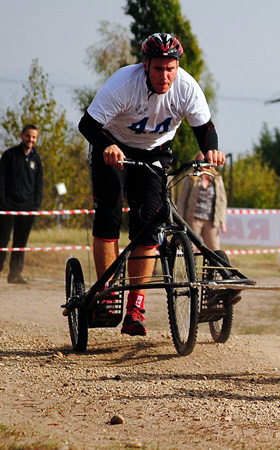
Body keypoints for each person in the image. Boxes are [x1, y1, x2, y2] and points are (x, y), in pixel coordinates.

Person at [78, 33, 225, 336]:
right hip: (113, 149)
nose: (165, 76)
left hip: (155, 154)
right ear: (145, 65)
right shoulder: (123, 83)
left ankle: (136, 307)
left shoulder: (186, 86)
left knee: (148, 223)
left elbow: (205, 128)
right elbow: (88, 124)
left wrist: (211, 149)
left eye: (170, 68)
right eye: (158, 69)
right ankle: (106, 291)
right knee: (109, 212)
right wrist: (107, 146)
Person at [0, 125, 43, 284]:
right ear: (22, 136)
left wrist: (36, 204)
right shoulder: (9, 155)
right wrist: (3, 203)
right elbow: (1, 180)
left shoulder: (36, 158)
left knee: (20, 243)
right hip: (8, 207)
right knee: (2, 240)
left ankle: (15, 274)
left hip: (27, 208)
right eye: (28, 136)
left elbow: (39, 184)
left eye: (34, 137)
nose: (30, 140)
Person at [177, 152, 227, 250]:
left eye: (205, 161)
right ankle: (192, 266)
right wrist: (180, 219)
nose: (203, 164)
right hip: (193, 219)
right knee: (191, 249)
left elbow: (222, 201)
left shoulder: (217, 179)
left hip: (211, 220)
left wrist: (222, 221)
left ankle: (212, 265)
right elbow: (182, 199)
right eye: (200, 161)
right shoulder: (190, 179)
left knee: (214, 249)